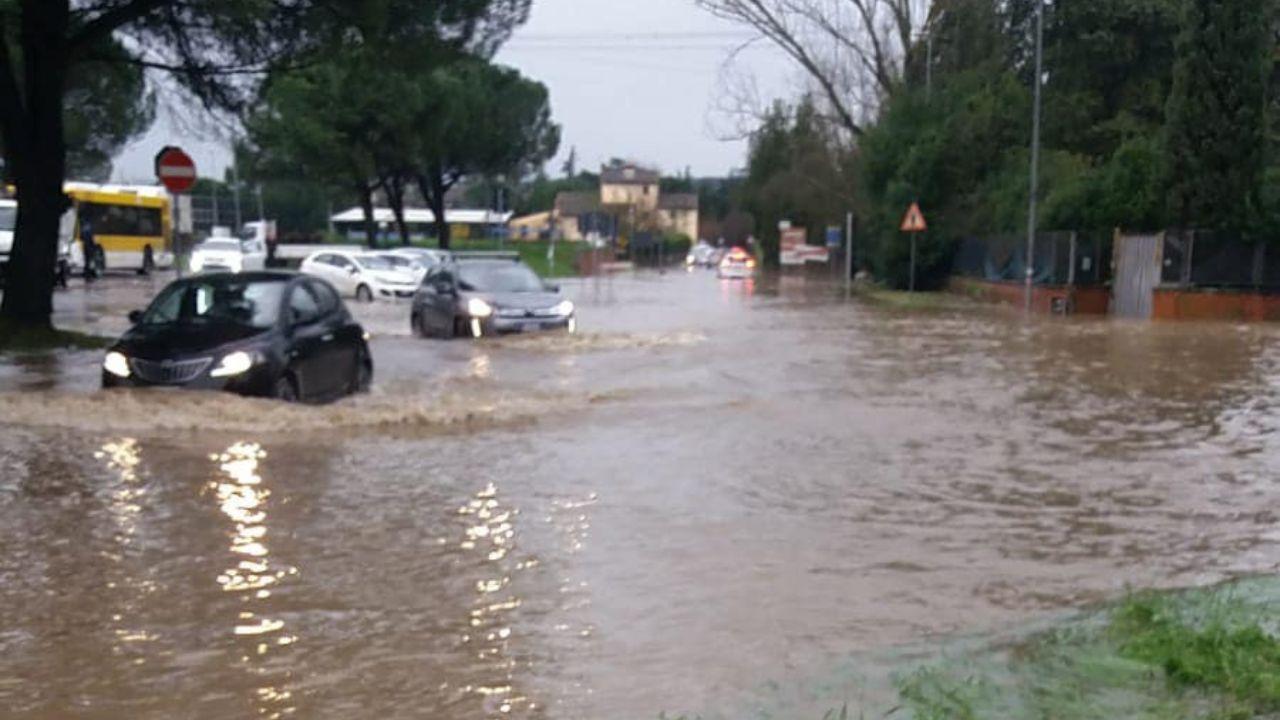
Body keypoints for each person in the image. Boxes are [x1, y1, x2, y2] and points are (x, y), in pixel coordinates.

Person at [80, 214, 99, 282]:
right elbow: (92, 240)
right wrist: (93, 246)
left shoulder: (83, 229)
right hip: (89, 248)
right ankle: (88, 277)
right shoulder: (89, 229)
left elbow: (81, 237)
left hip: (85, 247)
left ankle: (86, 275)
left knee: (86, 262)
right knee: (89, 262)